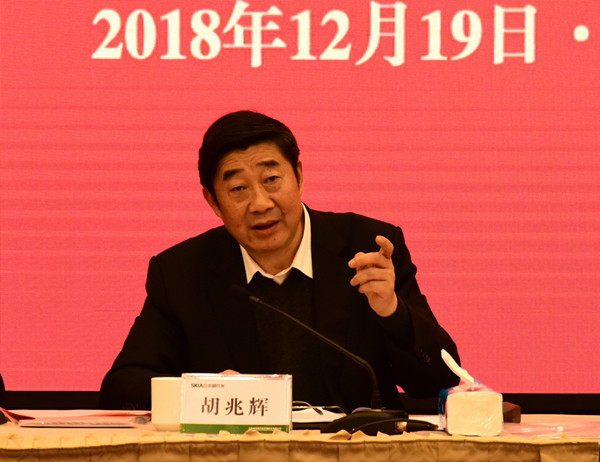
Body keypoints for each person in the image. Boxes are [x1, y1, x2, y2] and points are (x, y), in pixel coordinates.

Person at [100, 110, 460, 411]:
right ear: (213, 202)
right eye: (238, 189)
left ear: (298, 176)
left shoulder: (367, 250)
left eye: (271, 179)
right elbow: (123, 388)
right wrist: (205, 394)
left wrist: (393, 313)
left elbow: (441, 379)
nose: (260, 203)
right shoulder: (182, 273)